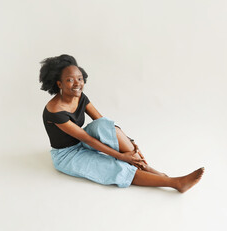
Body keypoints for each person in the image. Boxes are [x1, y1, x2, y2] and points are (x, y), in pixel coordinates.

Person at [39, 54, 204, 193]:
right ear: (59, 84)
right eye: (70, 80)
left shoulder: (80, 96)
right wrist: (120, 156)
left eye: (80, 78)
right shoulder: (55, 111)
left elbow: (102, 122)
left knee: (104, 125)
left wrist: (129, 141)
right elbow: (88, 139)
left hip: (82, 141)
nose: (77, 84)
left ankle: (150, 170)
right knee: (117, 167)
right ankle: (174, 183)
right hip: (67, 155)